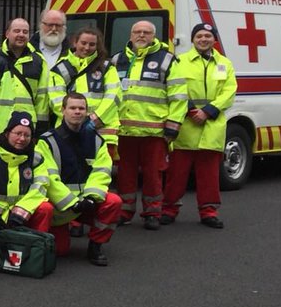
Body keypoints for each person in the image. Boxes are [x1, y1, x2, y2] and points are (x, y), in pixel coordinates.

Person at [162, 22, 237, 229]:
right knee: (176, 174)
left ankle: (208, 212)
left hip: (211, 125)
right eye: (199, 36)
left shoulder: (224, 63)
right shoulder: (180, 61)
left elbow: (229, 91)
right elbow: (173, 87)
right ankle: (169, 210)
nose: (203, 39)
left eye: (207, 36)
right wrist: (190, 109)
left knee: (209, 176)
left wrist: (208, 111)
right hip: (186, 124)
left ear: (214, 40)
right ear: (193, 40)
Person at [114, 21, 188, 229]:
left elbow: (179, 96)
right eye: (137, 32)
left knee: (153, 174)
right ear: (130, 35)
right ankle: (125, 211)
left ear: (153, 36)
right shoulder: (118, 59)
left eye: (146, 32)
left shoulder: (167, 60)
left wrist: (173, 125)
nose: (141, 35)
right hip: (124, 130)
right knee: (124, 174)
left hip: (154, 130)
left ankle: (152, 213)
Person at [36, 93, 123, 266]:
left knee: (114, 202)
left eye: (81, 108)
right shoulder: (47, 141)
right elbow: (49, 177)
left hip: (86, 203)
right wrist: (72, 202)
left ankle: (96, 245)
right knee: (60, 251)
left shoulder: (97, 141)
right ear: (63, 111)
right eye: (72, 108)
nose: (77, 112)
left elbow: (101, 172)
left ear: (87, 112)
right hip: (60, 206)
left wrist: (91, 198)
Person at [0, 17, 52, 148]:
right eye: (16, 31)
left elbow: (42, 99)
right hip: (0, 127)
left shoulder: (38, 62)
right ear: (7, 33)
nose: (21, 35)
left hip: (26, 127)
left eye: (25, 32)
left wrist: (40, 130)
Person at [48, 27, 121, 159]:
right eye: (83, 43)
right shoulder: (60, 68)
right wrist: (77, 121)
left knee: (101, 170)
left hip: (103, 132)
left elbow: (114, 96)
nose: (87, 48)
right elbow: (56, 100)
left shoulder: (106, 67)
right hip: (69, 132)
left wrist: (95, 119)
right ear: (75, 42)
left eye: (92, 44)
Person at [0, 112, 53, 233]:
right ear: (7, 133)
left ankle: (38, 242)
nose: (22, 139)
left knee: (46, 208)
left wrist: (21, 210)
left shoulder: (36, 158)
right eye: (18, 134)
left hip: (23, 213)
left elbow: (40, 187)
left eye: (27, 135)